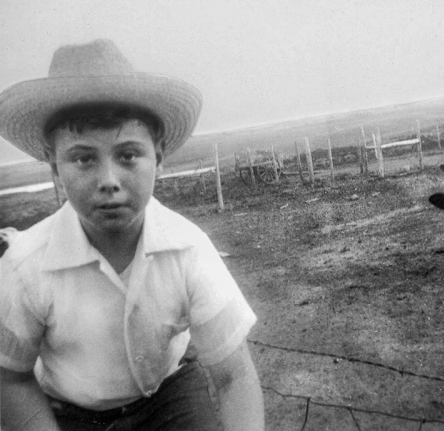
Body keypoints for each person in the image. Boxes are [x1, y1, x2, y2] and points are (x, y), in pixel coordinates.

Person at [0, 39, 265, 431]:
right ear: (54, 167)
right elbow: (10, 375)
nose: (109, 181)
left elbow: (234, 377)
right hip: (68, 409)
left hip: (167, 395)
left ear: (158, 154)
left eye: (127, 155)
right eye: (83, 158)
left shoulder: (188, 250)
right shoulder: (25, 266)